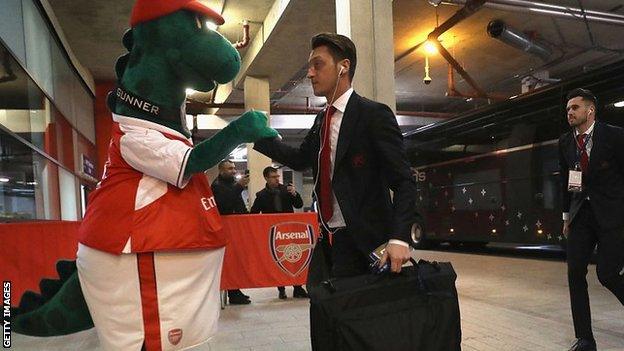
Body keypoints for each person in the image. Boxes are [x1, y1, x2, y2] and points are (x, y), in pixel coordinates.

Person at [253, 33, 418, 285]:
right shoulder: (322, 120)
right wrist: (259, 137)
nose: (310, 73)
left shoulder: (372, 115)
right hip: (330, 240)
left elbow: (404, 181)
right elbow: (299, 159)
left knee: (365, 318)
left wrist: (399, 238)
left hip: (370, 243)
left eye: (317, 65)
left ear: (344, 66)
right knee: (325, 310)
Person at [559, 88, 624, 351]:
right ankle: (585, 339)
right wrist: (566, 217)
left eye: (575, 108)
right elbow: (565, 180)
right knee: (575, 273)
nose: (570, 113)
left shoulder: (615, 136)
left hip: (611, 215)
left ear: (590, 110)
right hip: (580, 216)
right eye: (567, 110)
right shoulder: (565, 142)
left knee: (607, 273)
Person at [250, 166, 308, 299]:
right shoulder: (261, 195)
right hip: (273, 233)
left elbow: (299, 205)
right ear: (266, 178)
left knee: (293, 258)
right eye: (273, 177)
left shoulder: (286, 190)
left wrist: (294, 193)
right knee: (277, 259)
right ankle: (281, 288)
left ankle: (297, 288)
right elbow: (253, 213)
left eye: (277, 176)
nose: (277, 179)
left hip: (289, 231)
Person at [211, 160, 252, 305]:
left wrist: (246, 217)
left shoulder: (232, 184)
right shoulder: (217, 186)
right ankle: (233, 292)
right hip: (226, 230)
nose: (233, 171)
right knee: (229, 261)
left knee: (237, 260)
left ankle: (235, 290)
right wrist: (239, 187)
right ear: (221, 171)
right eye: (229, 168)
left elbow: (238, 204)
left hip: (237, 228)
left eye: (234, 168)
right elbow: (223, 205)